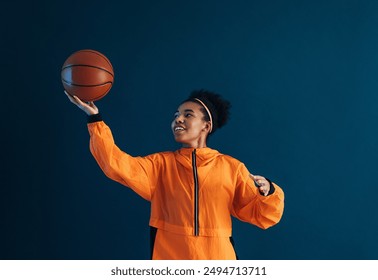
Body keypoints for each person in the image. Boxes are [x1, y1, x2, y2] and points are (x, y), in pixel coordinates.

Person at [65, 89, 284, 260]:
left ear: (206, 126)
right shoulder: (160, 165)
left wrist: (270, 192)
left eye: (188, 115)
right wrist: (95, 118)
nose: (178, 119)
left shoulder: (231, 167)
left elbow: (262, 216)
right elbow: (115, 164)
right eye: (176, 115)